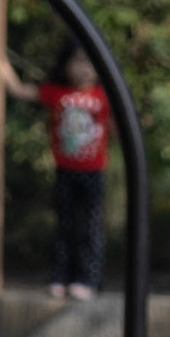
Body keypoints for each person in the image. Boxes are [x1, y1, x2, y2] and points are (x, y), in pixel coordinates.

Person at [37, 46, 110, 298]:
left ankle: (88, 279)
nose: (83, 69)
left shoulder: (104, 95)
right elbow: (19, 89)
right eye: (78, 62)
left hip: (94, 171)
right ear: (66, 65)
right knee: (64, 225)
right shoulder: (58, 93)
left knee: (91, 227)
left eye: (89, 63)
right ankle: (61, 276)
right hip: (65, 170)